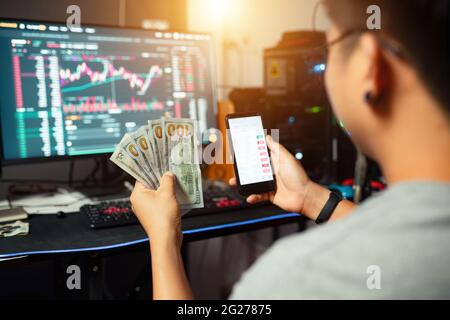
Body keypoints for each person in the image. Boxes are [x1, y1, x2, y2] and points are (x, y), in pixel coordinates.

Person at [130, 0, 450, 299]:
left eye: (330, 49)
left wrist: (164, 238)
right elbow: (395, 244)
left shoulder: (294, 279)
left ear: (370, 67)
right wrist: (310, 197)